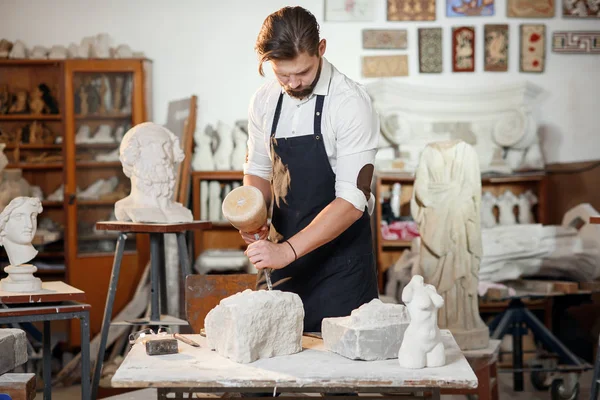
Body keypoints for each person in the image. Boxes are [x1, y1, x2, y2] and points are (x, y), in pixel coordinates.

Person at [242, 6, 379, 333]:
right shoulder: (264, 99)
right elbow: (258, 171)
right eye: (281, 73)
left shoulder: (349, 103)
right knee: (267, 365)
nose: (292, 82)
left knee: (338, 375)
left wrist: (286, 251)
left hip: (340, 267)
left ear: (321, 49)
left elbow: (351, 202)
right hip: (282, 258)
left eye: (301, 72)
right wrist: (253, 218)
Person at [115, 122, 192, 223]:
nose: (163, 155)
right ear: (133, 156)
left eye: (166, 146)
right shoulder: (128, 208)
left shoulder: (182, 213)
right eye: (151, 146)